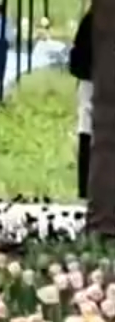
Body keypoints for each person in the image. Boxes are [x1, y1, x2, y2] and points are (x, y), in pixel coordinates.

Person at [72, 11, 93, 200]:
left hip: (89, 82)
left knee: (86, 132)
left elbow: (76, 55)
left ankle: (85, 188)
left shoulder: (90, 19)